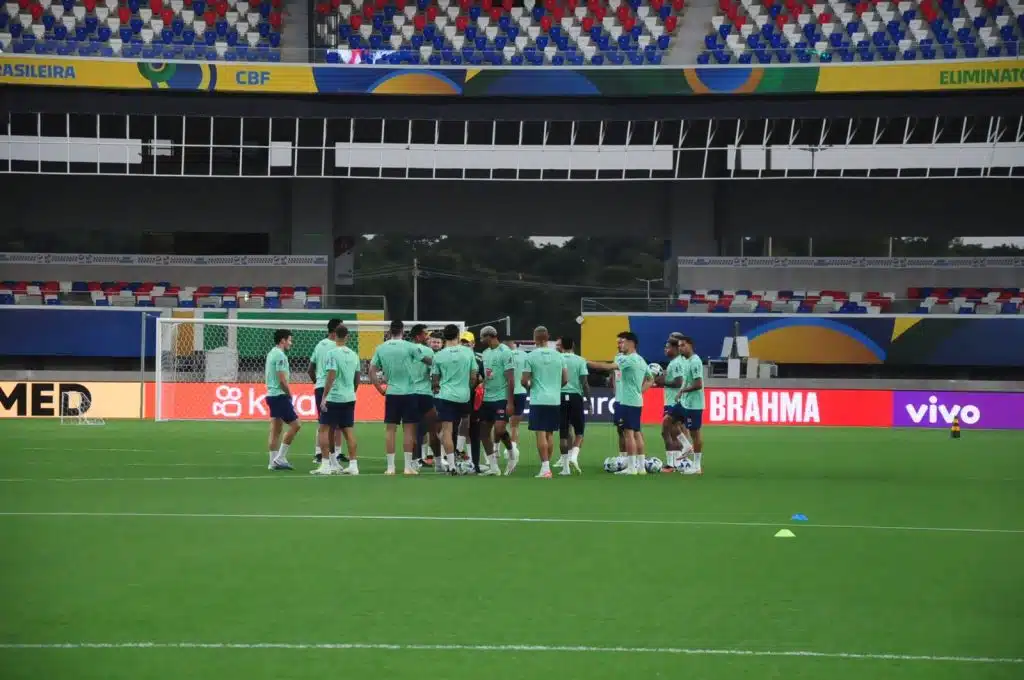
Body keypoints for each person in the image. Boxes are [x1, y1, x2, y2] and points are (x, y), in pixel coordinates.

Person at [588, 331, 652, 476]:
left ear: (631, 343)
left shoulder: (627, 360)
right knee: (636, 433)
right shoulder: (641, 360)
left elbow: (606, 367)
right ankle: (640, 467)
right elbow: (650, 378)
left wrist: (583, 362)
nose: (620, 345)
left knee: (628, 433)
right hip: (635, 400)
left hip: (626, 401)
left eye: (622, 342)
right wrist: (639, 391)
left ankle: (631, 468)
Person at [369, 320, 428, 476]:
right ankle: (408, 467)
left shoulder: (381, 348)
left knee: (390, 429)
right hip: (409, 392)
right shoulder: (410, 347)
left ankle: (390, 467)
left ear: (389, 331)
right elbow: (427, 360)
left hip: (392, 393)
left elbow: (372, 371)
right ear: (403, 330)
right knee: (409, 430)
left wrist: (380, 389)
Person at [312, 325, 361, 476]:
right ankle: (353, 465)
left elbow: (331, 376)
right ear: (347, 336)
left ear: (335, 336)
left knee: (324, 429)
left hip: (334, 398)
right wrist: (352, 392)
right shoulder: (354, 355)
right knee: (348, 430)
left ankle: (326, 464)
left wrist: (324, 397)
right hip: (349, 397)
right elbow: (357, 377)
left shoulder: (331, 353)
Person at [522, 326, 568, 479]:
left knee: (540, 432)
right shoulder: (559, 356)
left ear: (534, 338)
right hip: (554, 399)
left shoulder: (530, 356)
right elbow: (565, 379)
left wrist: (530, 386)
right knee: (549, 433)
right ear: (548, 337)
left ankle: (545, 468)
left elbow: (524, 380)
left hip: (539, 399)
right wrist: (555, 388)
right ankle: (547, 467)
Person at [432, 324, 478, 473]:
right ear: (458, 336)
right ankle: (469, 460)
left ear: (444, 337)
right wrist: (468, 389)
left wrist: (438, 390)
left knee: (446, 430)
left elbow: (435, 380)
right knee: (465, 426)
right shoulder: (468, 353)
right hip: (464, 396)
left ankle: (451, 465)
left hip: (446, 396)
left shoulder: (438, 355)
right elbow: (473, 376)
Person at [307, 318, 346, 466]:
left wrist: (317, 382)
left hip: (320, 386)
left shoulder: (319, 345)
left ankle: (320, 452)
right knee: (336, 423)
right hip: (334, 387)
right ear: (336, 330)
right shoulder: (337, 347)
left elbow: (310, 369)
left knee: (323, 422)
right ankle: (334, 452)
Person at [478, 325, 515, 477]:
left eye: (482, 337)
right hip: (487, 397)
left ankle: (512, 455)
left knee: (499, 430)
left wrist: (510, 402)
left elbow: (511, 379)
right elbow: (486, 375)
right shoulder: (485, 353)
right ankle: (493, 467)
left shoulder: (505, 352)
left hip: (501, 397)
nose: (481, 340)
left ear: (490, 336)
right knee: (484, 433)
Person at [265, 329, 301, 471]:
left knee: (275, 430)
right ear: (283, 340)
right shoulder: (280, 356)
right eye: (289, 340)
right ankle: (280, 457)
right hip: (279, 395)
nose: (290, 343)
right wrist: (289, 393)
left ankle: (272, 462)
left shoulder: (271, 353)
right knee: (296, 425)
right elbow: (281, 379)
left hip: (271, 395)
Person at [555, 335, 588, 475]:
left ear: (561, 346)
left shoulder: (557, 360)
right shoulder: (580, 360)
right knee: (579, 431)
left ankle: (565, 467)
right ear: (573, 345)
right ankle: (574, 456)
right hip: (576, 397)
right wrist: (589, 399)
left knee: (563, 433)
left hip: (560, 396)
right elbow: (584, 382)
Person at [409, 324, 439, 469]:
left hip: (408, 393)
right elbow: (434, 370)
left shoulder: (406, 350)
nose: (427, 336)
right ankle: (439, 461)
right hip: (425, 393)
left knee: (412, 429)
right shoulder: (428, 351)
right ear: (418, 336)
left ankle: (414, 461)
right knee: (432, 428)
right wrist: (435, 385)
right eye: (425, 333)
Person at [656, 337, 687, 472]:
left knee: (666, 431)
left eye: (668, 347)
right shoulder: (677, 362)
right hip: (674, 401)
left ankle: (673, 462)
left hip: (673, 402)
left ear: (675, 349)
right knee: (673, 432)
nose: (665, 349)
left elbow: (678, 382)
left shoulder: (676, 363)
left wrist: (661, 381)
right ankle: (677, 462)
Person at [677, 335, 706, 476]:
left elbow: (698, 384)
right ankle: (686, 446)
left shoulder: (695, 361)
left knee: (695, 434)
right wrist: (680, 393)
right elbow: (687, 380)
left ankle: (697, 466)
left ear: (690, 345)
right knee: (669, 420)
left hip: (694, 404)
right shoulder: (686, 361)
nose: (680, 348)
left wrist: (683, 390)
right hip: (685, 402)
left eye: (682, 345)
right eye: (679, 346)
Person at [505, 339, 526, 463]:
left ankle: (500, 451)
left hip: (506, 392)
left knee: (500, 423)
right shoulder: (524, 355)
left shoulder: (503, 355)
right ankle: (513, 449)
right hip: (521, 391)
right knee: (515, 425)